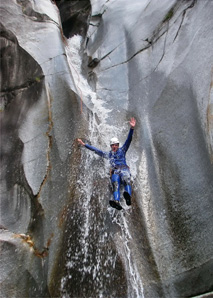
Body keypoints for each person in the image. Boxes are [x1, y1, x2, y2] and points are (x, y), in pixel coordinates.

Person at [77, 117, 136, 210]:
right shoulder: (108, 154)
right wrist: (84, 145)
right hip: (115, 171)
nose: (114, 146)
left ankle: (128, 196)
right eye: (112, 145)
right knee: (115, 184)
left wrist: (132, 128)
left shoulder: (123, 150)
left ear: (118, 145)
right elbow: (96, 150)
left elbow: (129, 140)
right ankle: (116, 202)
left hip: (124, 169)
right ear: (110, 146)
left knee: (126, 178)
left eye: (116, 144)